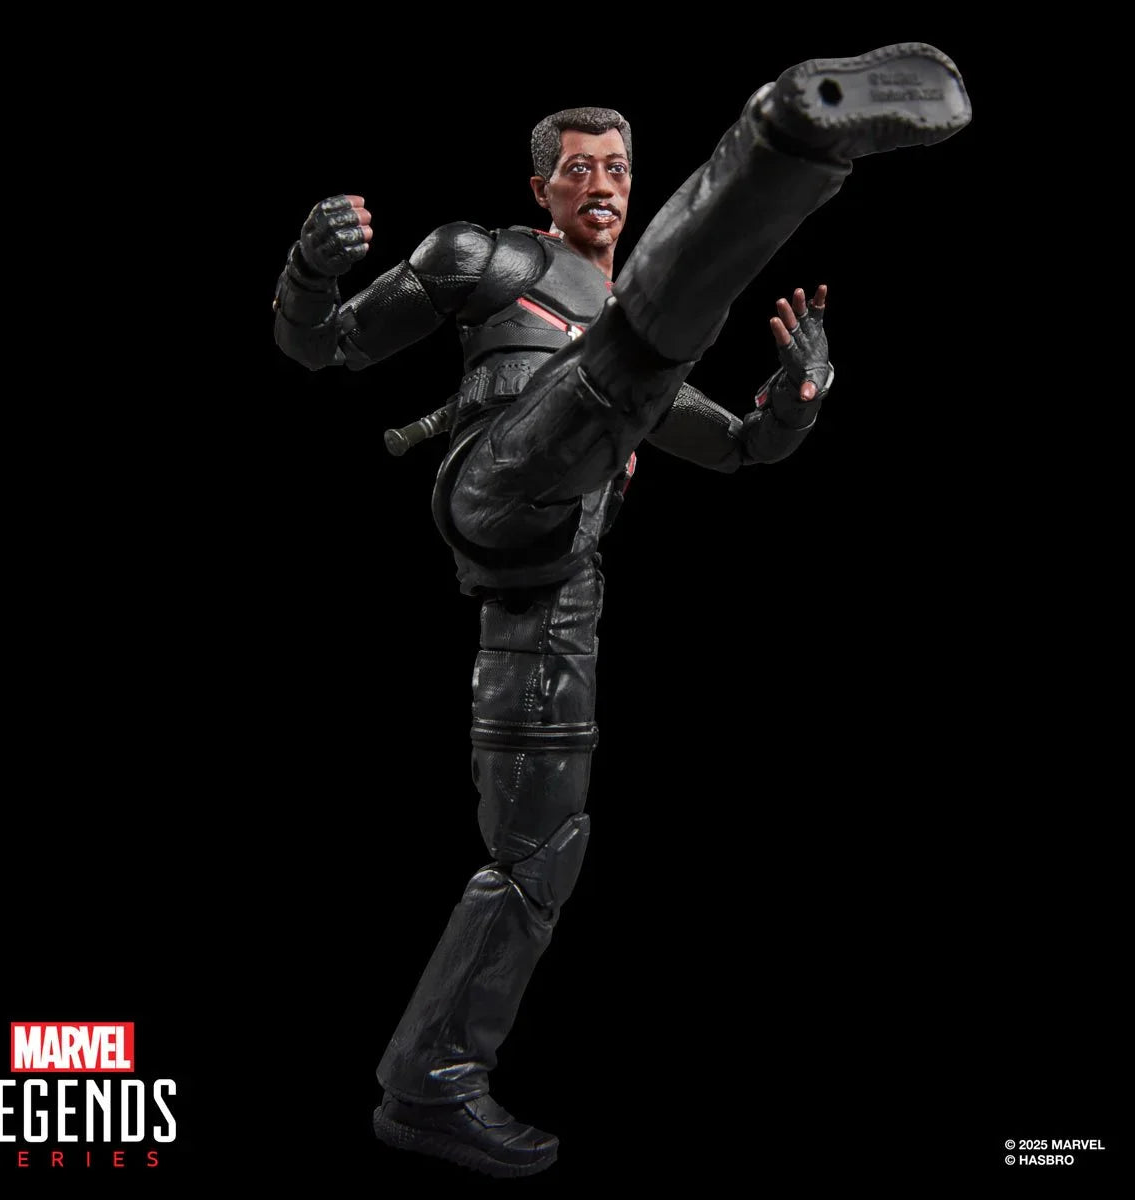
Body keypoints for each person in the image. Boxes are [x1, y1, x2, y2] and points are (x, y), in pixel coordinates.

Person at [273, 43, 971, 1177]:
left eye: (617, 168)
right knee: (623, 366)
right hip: (496, 486)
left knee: (539, 855)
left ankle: (430, 1081)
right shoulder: (487, 257)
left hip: (555, 593)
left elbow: (740, 450)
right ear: (541, 187)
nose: (600, 184)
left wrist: (801, 397)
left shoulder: (643, 349)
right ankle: (783, 145)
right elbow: (324, 343)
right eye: (579, 168)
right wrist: (309, 267)